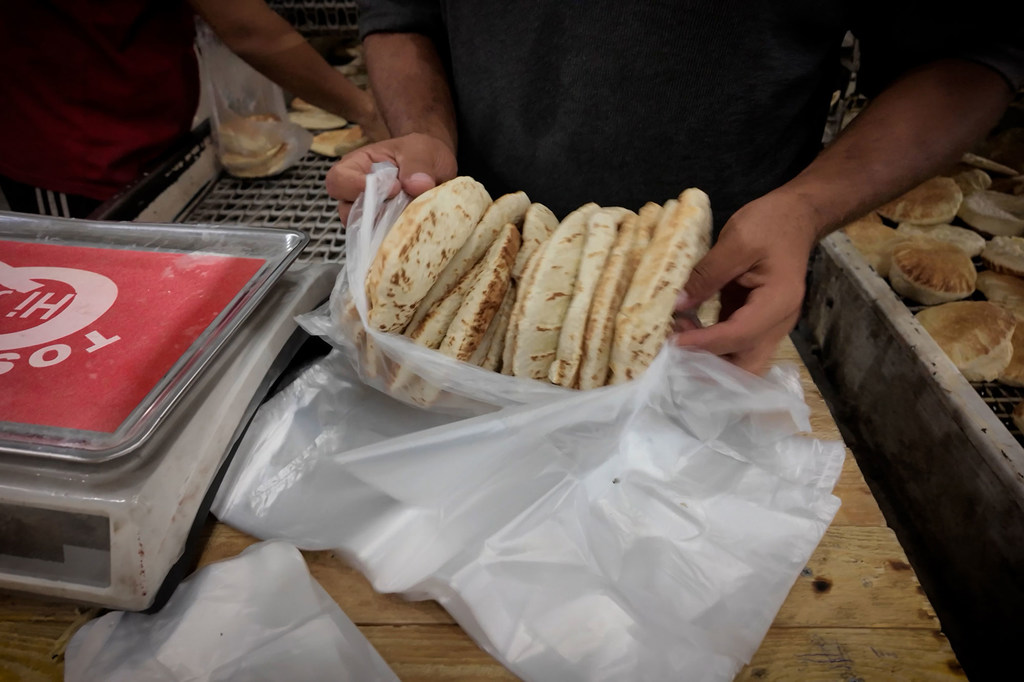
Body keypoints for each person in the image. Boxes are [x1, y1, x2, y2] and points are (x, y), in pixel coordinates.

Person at [325, 1, 1022, 374]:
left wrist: (806, 208)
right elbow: (404, 13)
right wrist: (425, 142)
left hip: (724, 301)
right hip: (468, 278)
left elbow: (973, 51)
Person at [0, 0, 387, 220]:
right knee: (90, 294)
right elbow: (247, 28)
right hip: (70, 149)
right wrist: (366, 110)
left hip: (137, 125)